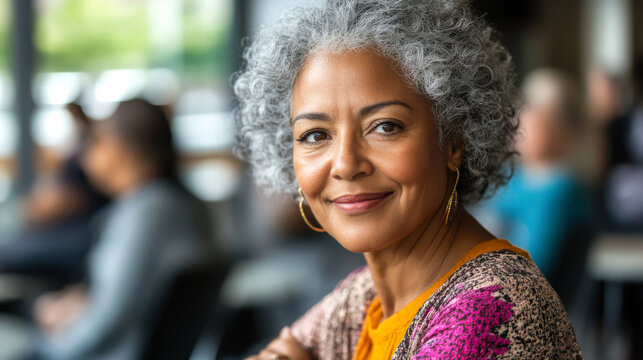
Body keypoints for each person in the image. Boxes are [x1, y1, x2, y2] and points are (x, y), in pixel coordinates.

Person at [234, 0, 581, 359]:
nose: (346, 164)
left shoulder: (494, 307)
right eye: (315, 135)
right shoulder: (363, 300)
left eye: (385, 126)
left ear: (454, 141)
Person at [26, 99, 215, 359]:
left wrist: (47, 346)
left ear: (122, 148)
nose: (85, 154)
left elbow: (109, 321)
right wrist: (79, 304)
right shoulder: (177, 205)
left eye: (97, 141)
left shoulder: (149, 213)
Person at [473, 69, 594, 278]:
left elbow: (533, 264)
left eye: (530, 110)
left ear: (560, 126)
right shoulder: (511, 177)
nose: (516, 118)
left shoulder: (558, 188)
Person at [0, 104, 109, 283]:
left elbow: (67, 201)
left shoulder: (86, 158)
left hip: (71, 234)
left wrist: (34, 208)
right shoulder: (79, 148)